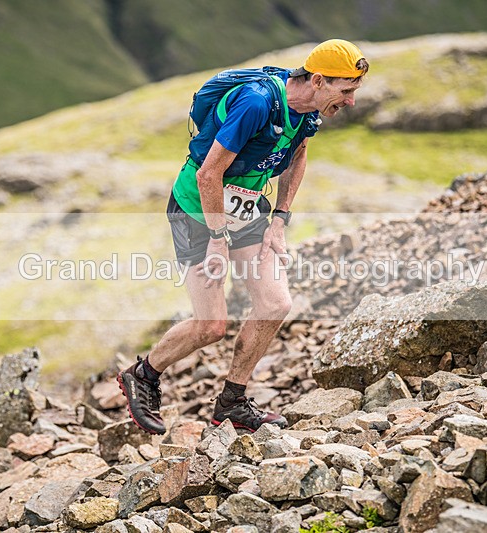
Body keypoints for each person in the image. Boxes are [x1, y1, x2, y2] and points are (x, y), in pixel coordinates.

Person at [118, 39, 369, 434]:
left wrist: (280, 218)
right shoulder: (256, 103)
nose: (352, 101)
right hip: (198, 210)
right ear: (318, 80)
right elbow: (207, 174)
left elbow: (299, 154)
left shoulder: (308, 112)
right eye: (347, 90)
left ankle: (231, 403)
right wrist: (218, 236)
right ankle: (143, 374)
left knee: (274, 303)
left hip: (247, 207)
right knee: (211, 326)